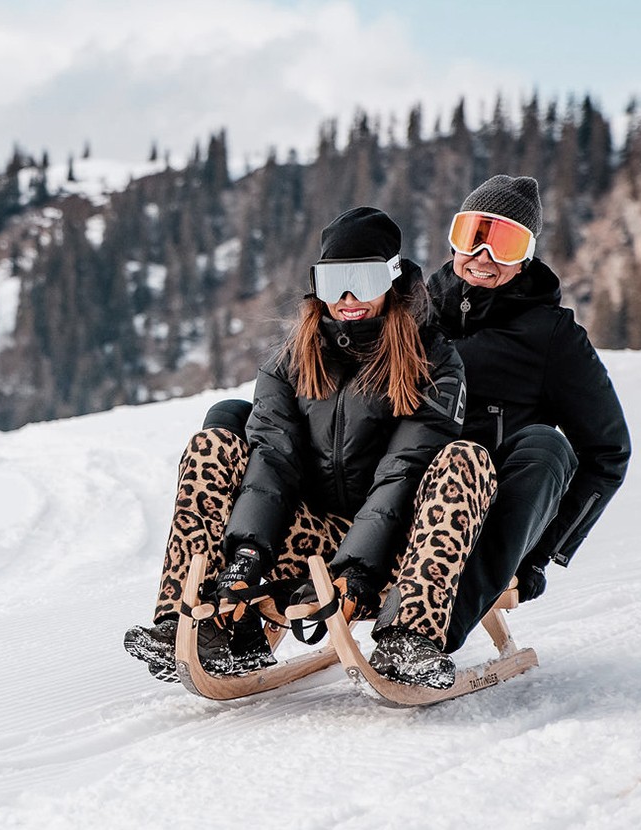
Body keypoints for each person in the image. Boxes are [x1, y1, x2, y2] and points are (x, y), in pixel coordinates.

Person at [125, 206, 497, 689]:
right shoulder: (289, 362)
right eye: (333, 283)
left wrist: (355, 571)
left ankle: (409, 636)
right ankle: (194, 623)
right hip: (312, 542)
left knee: (466, 460)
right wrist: (246, 558)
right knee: (212, 446)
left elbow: (404, 469)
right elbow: (271, 463)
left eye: (363, 281)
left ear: (392, 279)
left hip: (401, 553)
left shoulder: (434, 360)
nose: (347, 299)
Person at [426, 174, 631, 652]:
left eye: (504, 244)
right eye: (473, 236)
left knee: (546, 446)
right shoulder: (415, 316)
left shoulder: (551, 335)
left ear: (526, 257)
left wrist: (540, 552)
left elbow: (607, 451)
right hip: (400, 497)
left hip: (480, 522)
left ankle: (427, 636)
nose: (483, 257)